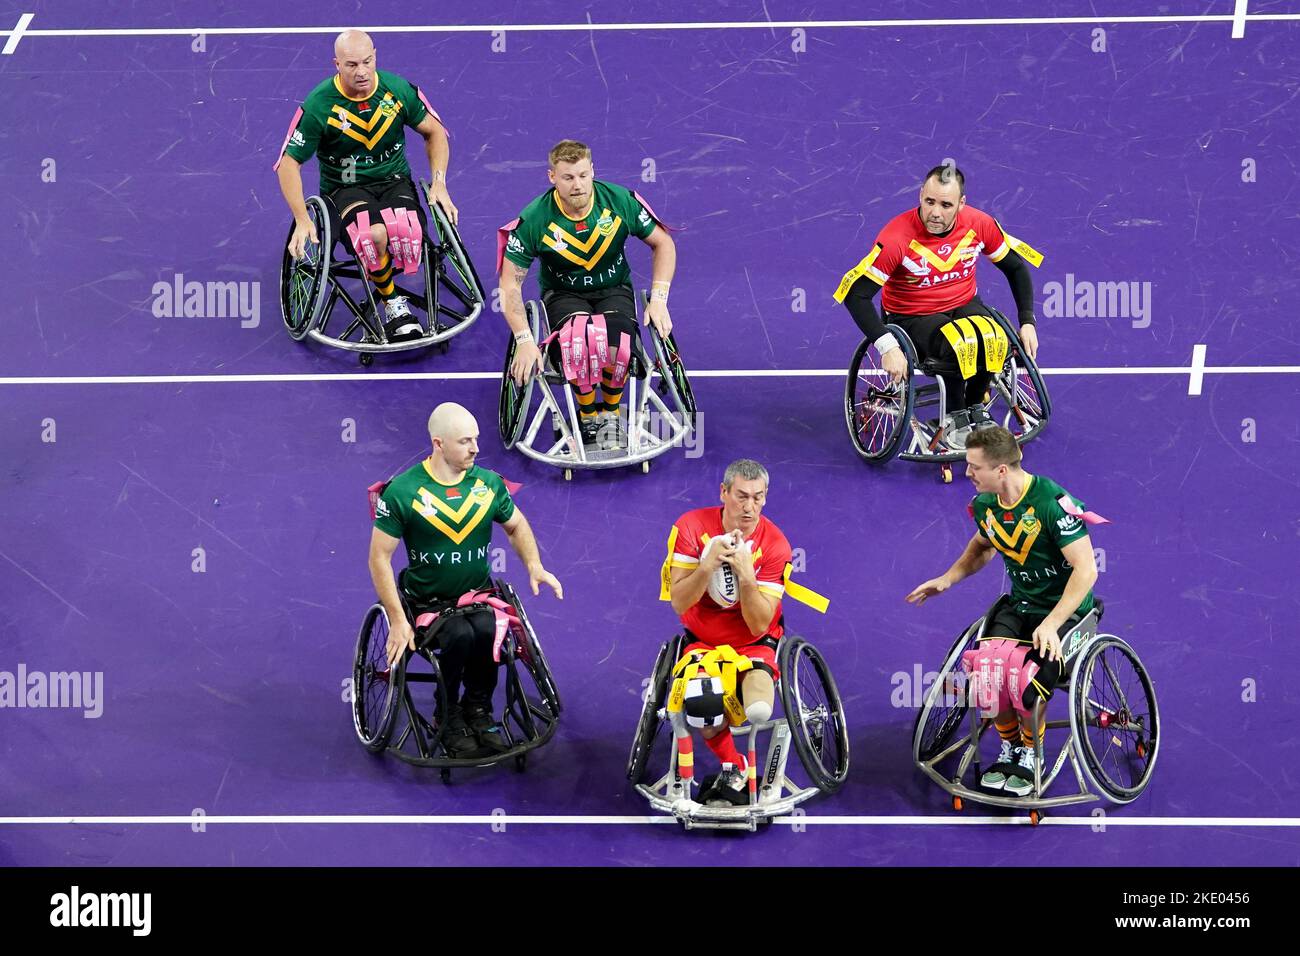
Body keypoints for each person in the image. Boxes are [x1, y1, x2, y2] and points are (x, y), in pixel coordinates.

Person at [905, 426, 1102, 797]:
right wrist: (947, 579)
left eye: (973, 466)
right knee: (987, 672)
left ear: (1000, 471)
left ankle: (1031, 753)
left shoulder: (1050, 503)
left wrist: (1053, 622)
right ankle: (1011, 746)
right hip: (1021, 605)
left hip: (1067, 614)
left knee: (1025, 682)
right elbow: (982, 547)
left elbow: (1086, 570)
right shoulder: (987, 505)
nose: (967, 473)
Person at [369, 402, 563, 757]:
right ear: (438, 443)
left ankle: (478, 709)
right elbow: (379, 557)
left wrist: (534, 565)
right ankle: (448, 712)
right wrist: (397, 620)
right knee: (458, 635)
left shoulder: (487, 484)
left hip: (478, 596)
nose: (475, 448)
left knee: (489, 630)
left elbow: (516, 525)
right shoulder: (404, 491)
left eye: (475, 439)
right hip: (427, 604)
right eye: (465, 441)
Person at [835, 164, 1042, 446]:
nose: (935, 212)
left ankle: (974, 408)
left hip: (964, 303)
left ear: (961, 204)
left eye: (946, 205)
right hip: (911, 315)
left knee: (995, 339)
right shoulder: (897, 237)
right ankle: (955, 414)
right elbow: (855, 295)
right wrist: (887, 346)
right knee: (960, 344)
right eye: (929, 201)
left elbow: (1016, 268)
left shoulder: (979, 224)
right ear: (920, 195)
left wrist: (1027, 321)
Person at [274, 29, 458, 342]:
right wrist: (303, 220)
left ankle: (385, 275)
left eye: (367, 62)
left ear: (375, 55)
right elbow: (288, 164)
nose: (361, 71)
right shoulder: (319, 105)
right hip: (344, 189)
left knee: (406, 230)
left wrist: (439, 183)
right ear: (336, 64)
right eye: (351, 65)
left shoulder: (397, 89)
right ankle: (394, 306)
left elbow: (435, 132)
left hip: (393, 181)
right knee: (372, 235)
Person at [497, 140, 677, 448]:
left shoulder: (619, 201)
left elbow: (664, 244)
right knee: (577, 344)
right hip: (563, 293)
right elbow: (510, 285)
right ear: (551, 177)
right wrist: (525, 341)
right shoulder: (536, 219)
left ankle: (608, 413)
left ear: (592, 170)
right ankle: (587, 414)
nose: (577, 185)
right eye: (568, 177)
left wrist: (659, 299)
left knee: (618, 347)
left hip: (613, 288)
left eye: (583, 175)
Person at [662, 460, 793, 806]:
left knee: (760, 711)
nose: (749, 507)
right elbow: (679, 602)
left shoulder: (776, 545)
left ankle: (750, 747)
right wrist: (707, 566)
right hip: (703, 644)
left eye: (758, 498)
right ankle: (735, 766)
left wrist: (747, 576)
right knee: (704, 706)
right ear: (724, 493)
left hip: (754, 643)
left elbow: (758, 624)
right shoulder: (690, 527)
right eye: (741, 497)